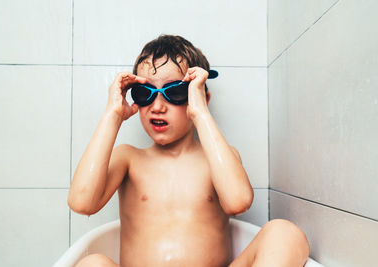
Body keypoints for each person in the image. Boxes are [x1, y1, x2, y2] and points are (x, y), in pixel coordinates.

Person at [68, 34, 310, 267]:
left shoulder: (219, 159)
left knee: (285, 234)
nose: (158, 106)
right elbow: (81, 202)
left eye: (175, 92)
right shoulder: (129, 159)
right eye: (144, 94)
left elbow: (238, 201)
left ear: (200, 97)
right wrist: (112, 115)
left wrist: (200, 112)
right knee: (92, 263)